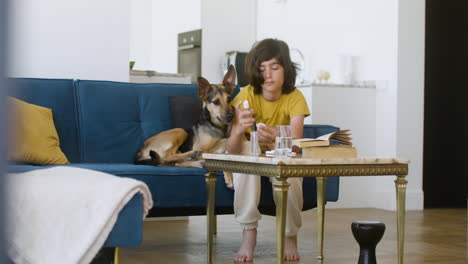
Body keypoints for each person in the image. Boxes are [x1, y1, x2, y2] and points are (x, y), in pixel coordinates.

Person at [226, 38, 310, 262]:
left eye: (274, 67)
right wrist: (236, 131)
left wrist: (277, 137)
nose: (268, 75)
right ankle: (248, 235)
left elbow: (296, 144)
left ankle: (290, 236)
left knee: (292, 177)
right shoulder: (245, 95)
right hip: (250, 156)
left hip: (280, 156)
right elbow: (232, 150)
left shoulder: (295, 97)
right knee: (245, 161)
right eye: (262, 68)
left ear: (286, 68)